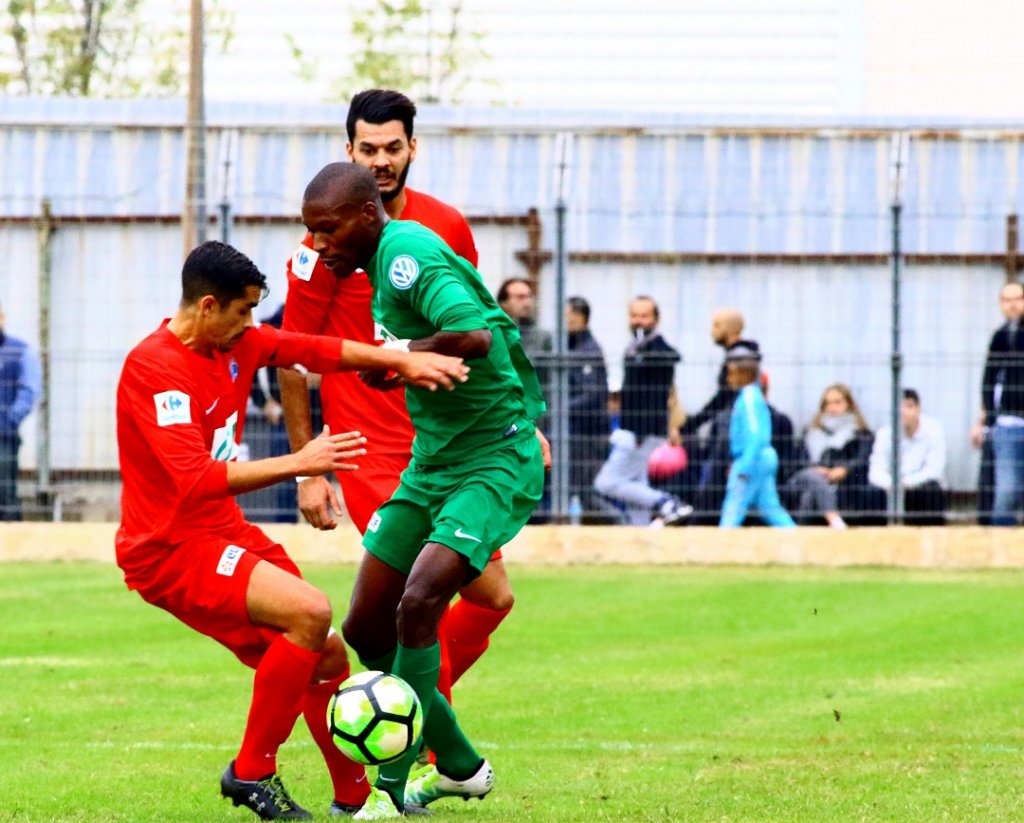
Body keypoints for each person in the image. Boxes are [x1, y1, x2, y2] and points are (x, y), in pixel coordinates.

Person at [114, 240, 468, 821]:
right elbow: (194, 480)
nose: (252, 325)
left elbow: (313, 349)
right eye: (243, 311)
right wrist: (302, 461)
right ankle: (251, 771)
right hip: (169, 549)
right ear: (207, 306)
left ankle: (356, 800)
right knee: (310, 612)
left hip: (223, 533)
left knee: (326, 653)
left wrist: (397, 360)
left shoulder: (239, 344)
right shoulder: (154, 369)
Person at [299, 162, 549, 819]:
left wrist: (401, 353)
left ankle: (390, 786)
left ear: (363, 213)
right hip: (432, 463)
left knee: (420, 600)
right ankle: (462, 767)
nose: (319, 245)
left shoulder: (405, 253)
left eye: (326, 230)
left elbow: (476, 335)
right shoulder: (378, 264)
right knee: (363, 625)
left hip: (491, 458)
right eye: (310, 233)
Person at [279, 89, 515, 716]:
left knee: (491, 600)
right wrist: (309, 467)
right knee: (427, 597)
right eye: (367, 149)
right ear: (348, 150)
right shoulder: (320, 247)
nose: (381, 161)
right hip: (371, 448)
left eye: (392, 148)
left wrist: (517, 422)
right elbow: (296, 357)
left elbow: (478, 328)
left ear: (414, 148)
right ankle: (423, 739)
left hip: (449, 441)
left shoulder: (445, 226)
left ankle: (421, 723)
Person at [593, 296, 692, 527]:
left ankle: (667, 504)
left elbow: (672, 355)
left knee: (606, 483)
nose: (638, 321)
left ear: (655, 319)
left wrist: (645, 352)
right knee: (636, 486)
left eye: (644, 316)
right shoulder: (634, 347)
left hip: (640, 431)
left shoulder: (655, 347)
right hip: (634, 428)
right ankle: (640, 534)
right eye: (635, 315)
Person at [718, 345, 795, 528]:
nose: (728, 379)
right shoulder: (753, 396)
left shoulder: (749, 398)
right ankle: (795, 538)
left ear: (743, 375)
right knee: (770, 508)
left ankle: (721, 545)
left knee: (734, 505)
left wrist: (745, 465)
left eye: (731, 374)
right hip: (761, 457)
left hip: (753, 458)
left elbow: (756, 434)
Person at [785, 383, 875, 528]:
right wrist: (816, 469)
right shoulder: (809, 432)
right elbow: (796, 461)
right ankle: (834, 519)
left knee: (810, 495)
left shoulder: (861, 434)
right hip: (804, 480)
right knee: (813, 476)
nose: (832, 408)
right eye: (827, 403)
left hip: (842, 486)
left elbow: (863, 459)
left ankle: (801, 532)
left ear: (849, 405)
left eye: (837, 402)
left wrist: (844, 470)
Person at [974, 281, 1024, 525]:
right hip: (1008, 424)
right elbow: (989, 379)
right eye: (1006, 299)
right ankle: (999, 545)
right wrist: (987, 419)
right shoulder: (1000, 336)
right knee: (1008, 488)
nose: (1012, 304)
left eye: (1017, 298)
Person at [868, 388, 948, 525]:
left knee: (932, 491)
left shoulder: (934, 431)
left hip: (919, 487)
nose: (903, 412)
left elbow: (934, 470)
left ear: (918, 409)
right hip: (891, 488)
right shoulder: (885, 434)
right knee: (870, 493)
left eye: (909, 406)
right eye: (898, 407)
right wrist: (891, 484)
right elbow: (875, 470)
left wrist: (907, 483)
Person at [679, 307, 760, 441]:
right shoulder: (744, 355)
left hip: (734, 425)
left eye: (717, 325)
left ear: (732, 329)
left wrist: (689, 426)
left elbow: (722, 398)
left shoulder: (738, 359)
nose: (712, 331)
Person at [566, 296, 610, 515]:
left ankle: (619, 521)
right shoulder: (575, 347)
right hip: (579, 433)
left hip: (589, 434)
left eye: (568, 316)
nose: (563, 321)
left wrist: (561, 408)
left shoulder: (588, 350)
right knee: (579, 491)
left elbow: (592, 395)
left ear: (581, 318)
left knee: (587, 492)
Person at [0, 300, 40, 521]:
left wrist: (9, 421)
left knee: (5, 493)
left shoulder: (19, 351)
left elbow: (29, 391)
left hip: (3, 435)